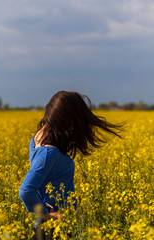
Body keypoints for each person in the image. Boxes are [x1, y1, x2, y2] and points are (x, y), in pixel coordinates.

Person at [19, 91, 127, 239]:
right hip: (53, 229)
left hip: (51, 228)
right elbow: (26, 190)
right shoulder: (49, 153)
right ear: (68, 118)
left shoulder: (38, 138)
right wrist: (47, 217)